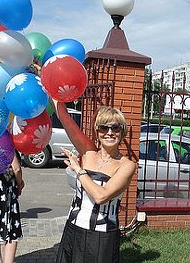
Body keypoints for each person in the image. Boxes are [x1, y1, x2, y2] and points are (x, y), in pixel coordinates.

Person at [53, 101, 136, 263]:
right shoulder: (89, 153)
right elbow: (64, 118)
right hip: (73, 229)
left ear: (122, 132)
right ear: (97, 132)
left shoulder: (127, 166)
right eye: (104, 127)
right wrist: (53, 92)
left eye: (115, 128)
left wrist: (79, 170)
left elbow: (101, 196)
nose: (110, 132)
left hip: (101, 236)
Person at [0, 153, 24, 263]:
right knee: (10, 230)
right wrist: (20, 183)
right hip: (5, 191)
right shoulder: (4, 140)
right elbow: (16, 168)